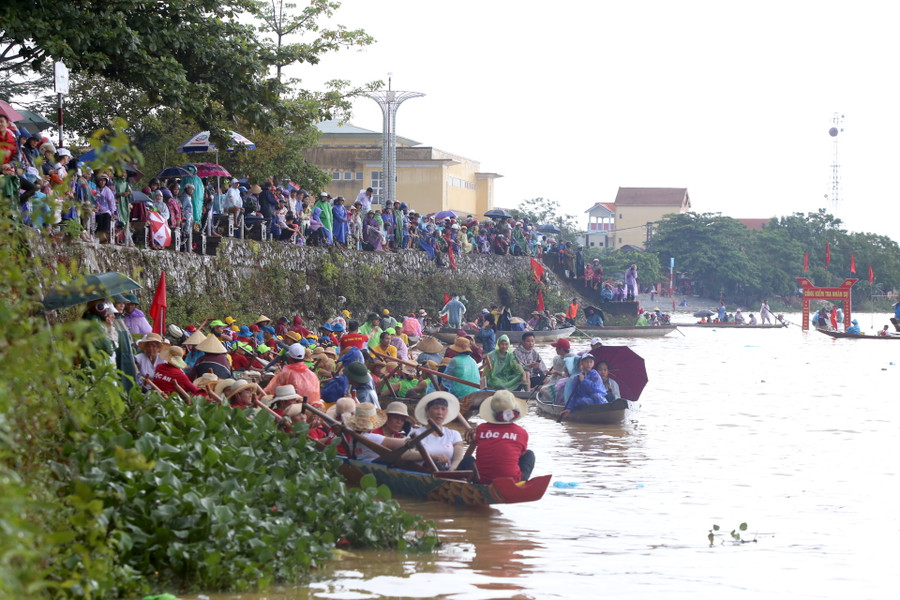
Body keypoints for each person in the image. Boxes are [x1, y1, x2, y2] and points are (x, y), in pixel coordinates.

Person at [460, 390, 534, 484]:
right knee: (529, 454)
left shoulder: (481, 429)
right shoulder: (521, 432)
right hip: (511, 481)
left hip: (481, 479)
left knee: (468, 459)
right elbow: (520, 455)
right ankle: (520, 483)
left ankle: (453, 483)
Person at [410, 392, 465, 471]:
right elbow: (405, 455)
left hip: (449, 472)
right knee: (432, 461)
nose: (440, 412)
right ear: (427, 410)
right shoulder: (415, 433)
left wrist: (451, 471)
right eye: (436, 408)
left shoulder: (454, 434)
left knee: (469, 460)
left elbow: (458, 459)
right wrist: (433, 456)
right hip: (428, 470)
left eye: (443, 409)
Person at [560, 354, 608, 418]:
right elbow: (574, 394)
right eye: (586, 362)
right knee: (583, 401)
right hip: (585, 400)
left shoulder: (595, 375)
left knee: (597, 396)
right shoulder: (577, 377)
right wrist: (569, 408)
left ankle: (604, 412)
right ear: (582, 362)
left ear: (593, 363)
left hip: (596, 399)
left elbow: (595, 389)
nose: (588, 364)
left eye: (591, 362)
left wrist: (584, 381)